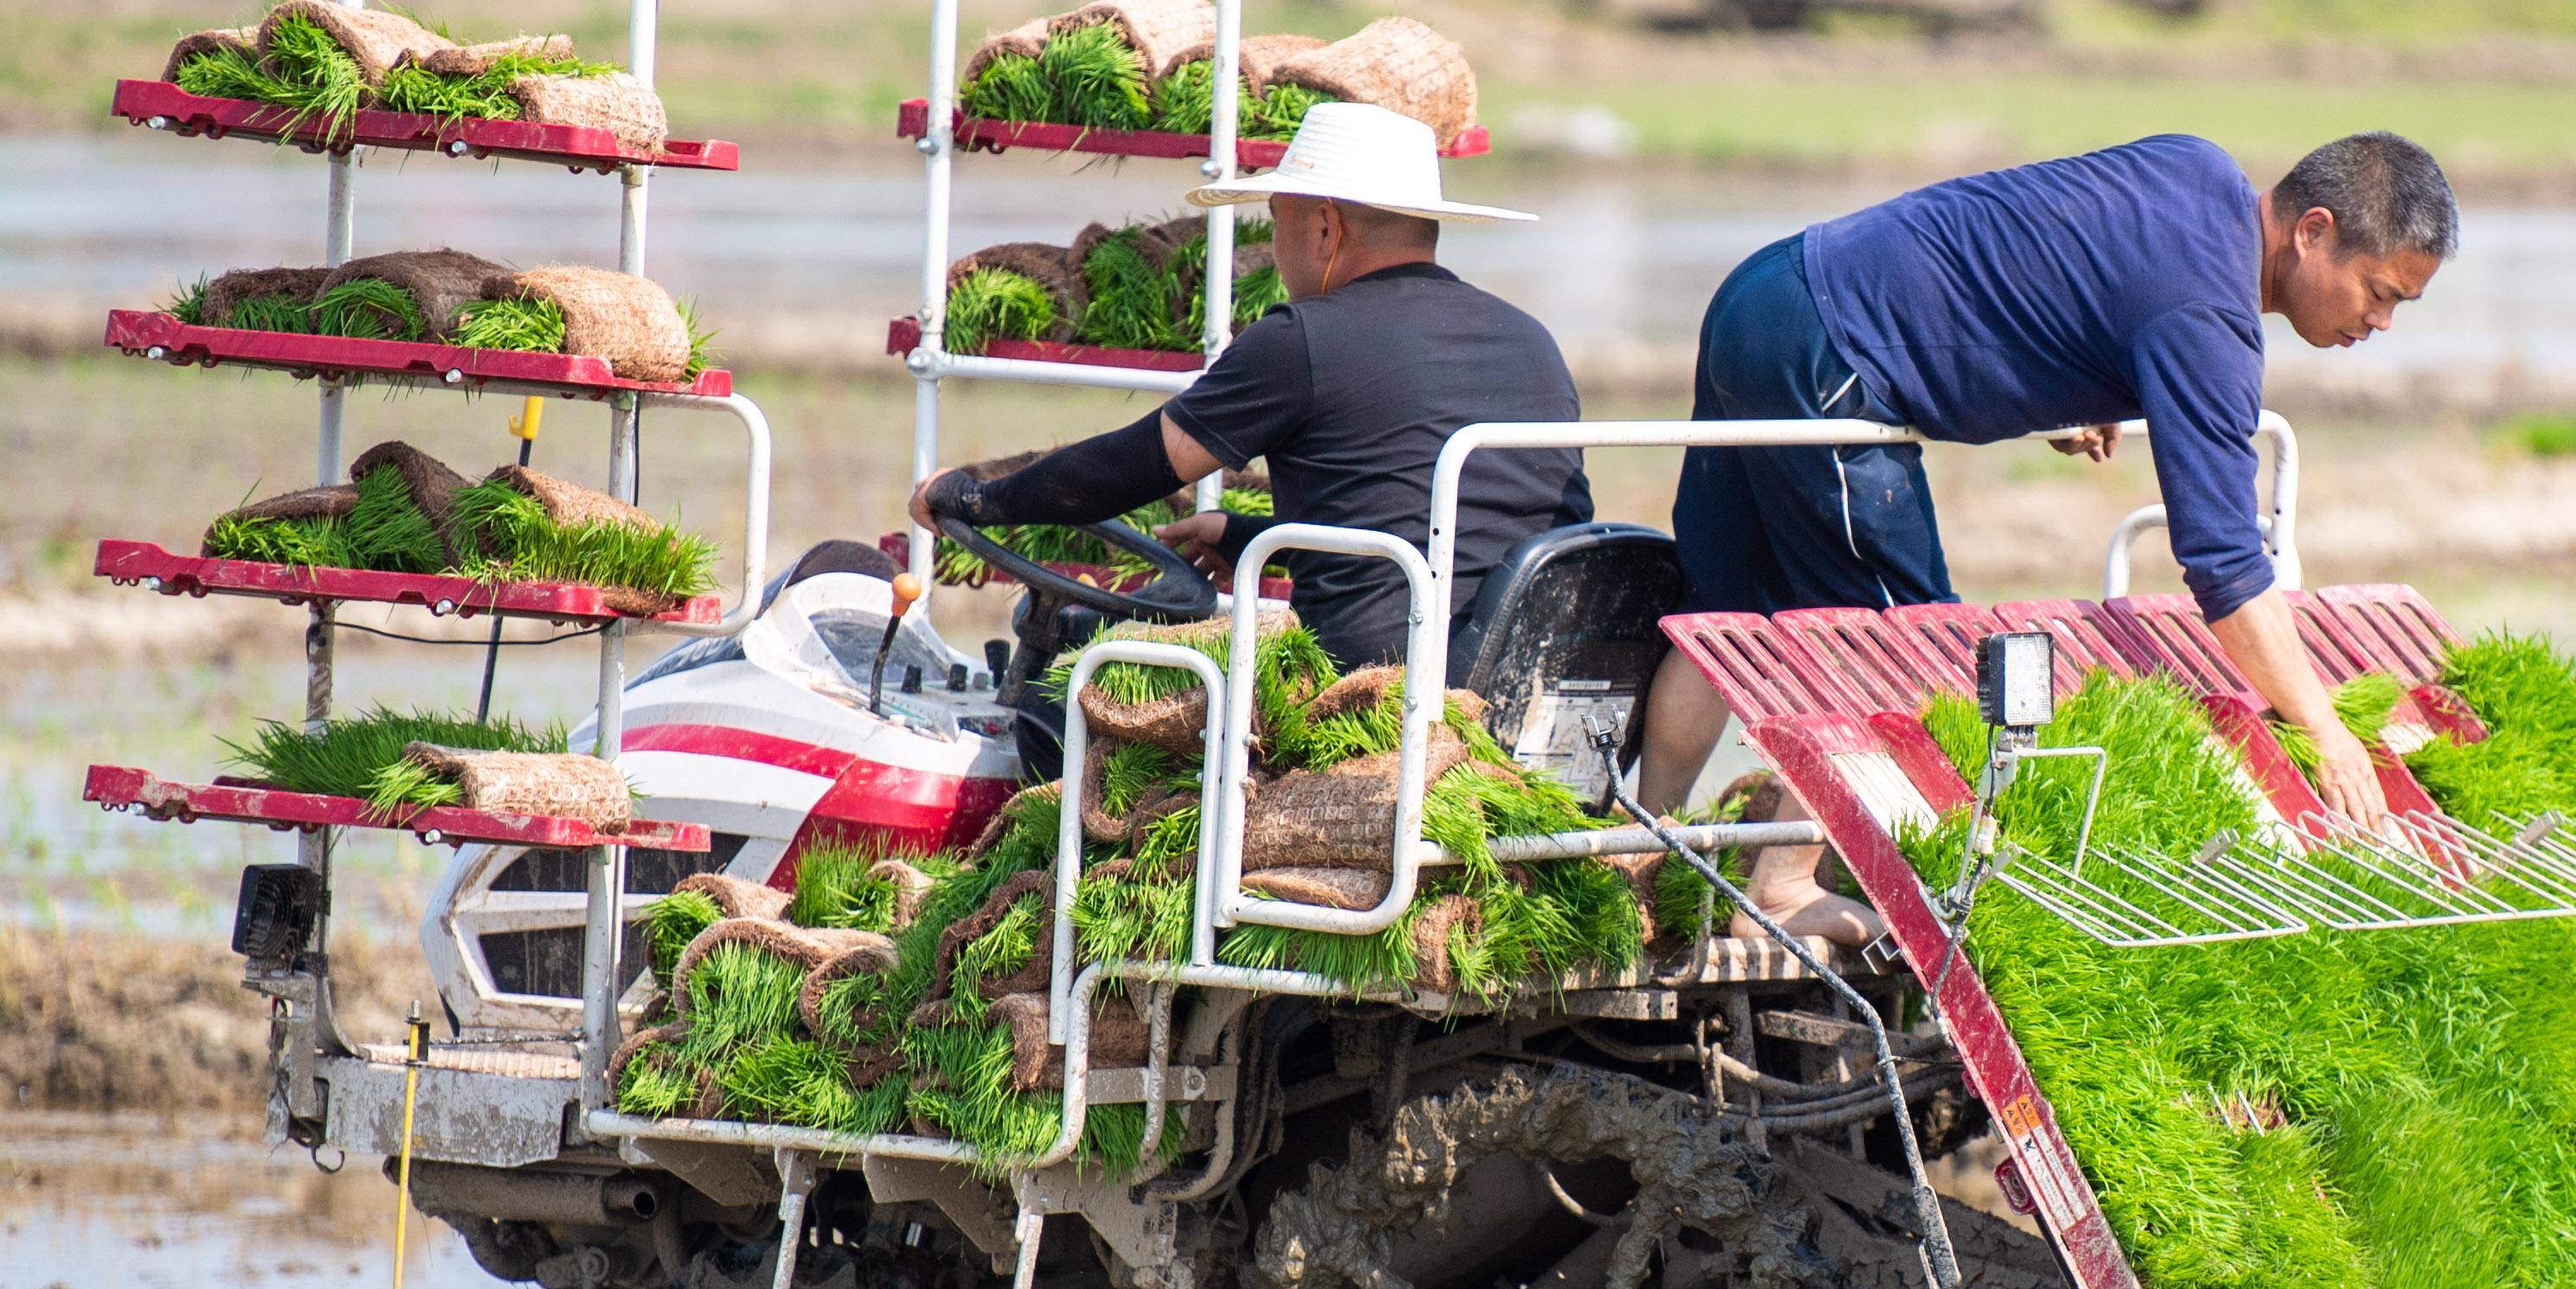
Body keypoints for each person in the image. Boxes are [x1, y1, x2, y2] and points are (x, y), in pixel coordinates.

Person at [1641, 128, 2453, 899]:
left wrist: (2087, 379)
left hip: (1767, 292)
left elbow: (2053, 261)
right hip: (1832, 358)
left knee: (1724, 611)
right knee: (1901, 654)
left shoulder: (2200, 171)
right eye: (2379, 292)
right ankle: (1782, 889)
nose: (2379, 322)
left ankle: (1642, 842)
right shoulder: (2208, 323)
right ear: (2313, 231)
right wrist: (2322, 727)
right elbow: (2224, 563)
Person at [908, 102, 1587, 677]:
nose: (1279, 243)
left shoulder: (1302, 340)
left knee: (1091, 689)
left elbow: (1129, 468)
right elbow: (1443, 528)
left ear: (1325, 227)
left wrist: (976, 496)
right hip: (1521, 674)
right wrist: (1255, 537)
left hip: (1378, 694)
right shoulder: (1532, 341)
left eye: (1280, 220)